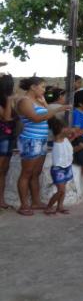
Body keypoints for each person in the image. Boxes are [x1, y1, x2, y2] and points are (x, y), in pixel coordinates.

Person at [15, 77, 70, 216]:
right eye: (42, 87)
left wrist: (45, 103)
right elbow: (37, 118)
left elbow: (47, 116)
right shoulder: (24, 101)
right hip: (30, 140)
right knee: (26, 173)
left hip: (41, 139)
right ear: (33, 87)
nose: (44, 90)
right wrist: (59, 109)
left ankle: (35, 202)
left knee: (36, 173)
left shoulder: (38, 100)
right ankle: (23, 205)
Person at [45, 117, 75, 215]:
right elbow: (72, 130)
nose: (68, 129)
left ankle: (60, 206)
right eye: (65, 127)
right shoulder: (58, 138)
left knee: (63, 190)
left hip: (67, 167)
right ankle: (49, 207)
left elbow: (72, 136)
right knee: (60, 190)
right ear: (59, 130)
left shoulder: (65, 139)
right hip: (58, 169)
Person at [0, 73, 16, 210]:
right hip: (2, 137)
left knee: (3, 171)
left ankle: (1, 200)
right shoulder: (5, 100)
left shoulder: (7, 99)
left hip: (8, 137)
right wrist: (10, 101)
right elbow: (6, 118)